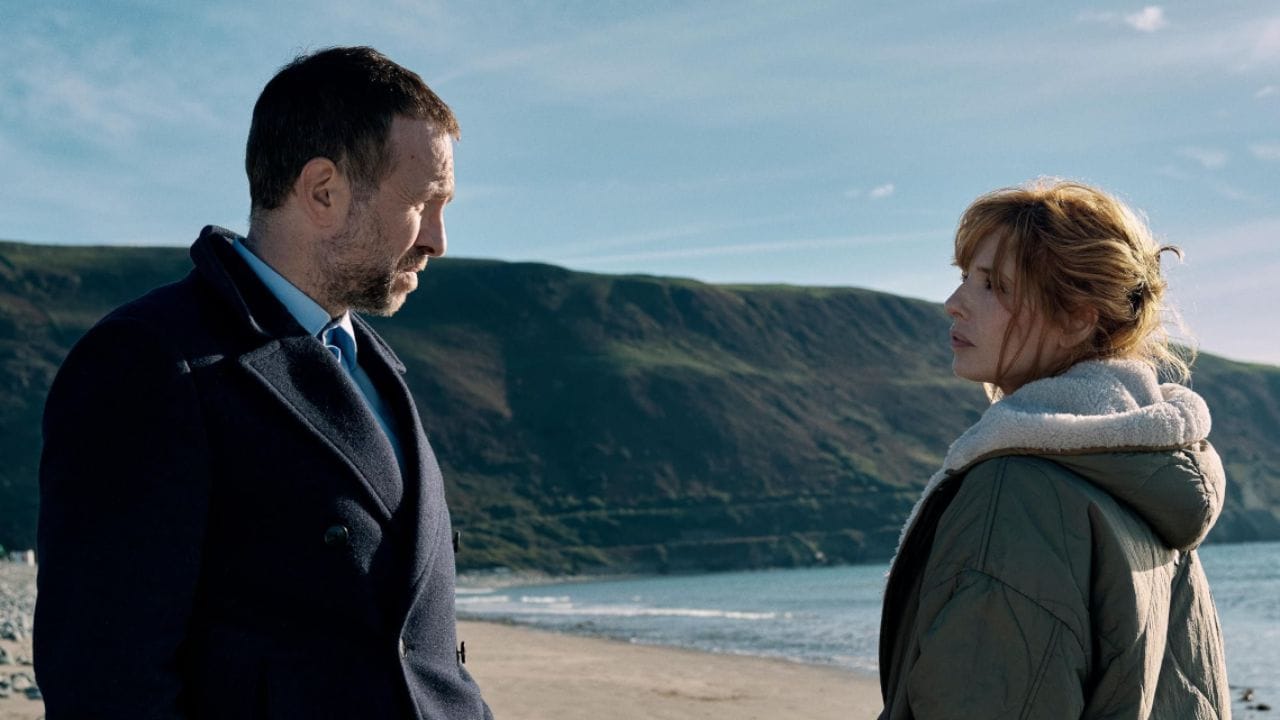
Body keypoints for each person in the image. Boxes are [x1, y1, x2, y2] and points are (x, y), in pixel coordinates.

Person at [35, 46, 491, 719]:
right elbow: (105, 682)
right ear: (323, 191)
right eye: (425, 202)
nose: (438, 240)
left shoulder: (375, 367)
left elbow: (421, 653)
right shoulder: (149, 361)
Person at [877, 179, 1231, 719]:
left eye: (993, 285)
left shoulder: (1017, 494)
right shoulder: (1145, 474)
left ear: (1077, 318)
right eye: (964, 277)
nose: (953, 304)